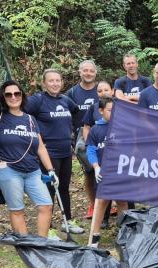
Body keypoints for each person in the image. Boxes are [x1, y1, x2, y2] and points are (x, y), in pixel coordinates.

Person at [0, 81, 56, 240]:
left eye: (17, 93)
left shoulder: (30, 119)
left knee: (46, 205)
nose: (13, 97)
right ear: (3, 97)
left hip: (33, 171)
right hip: (8, 170)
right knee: (17, 209)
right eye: (9, 94)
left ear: (22, 95)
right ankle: (25, 243)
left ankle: (41, 242)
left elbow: (40, 147)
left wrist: (51, 170)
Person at [24, 69, 83, 238]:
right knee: (49, 189)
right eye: (51, 81)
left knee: (63, 187)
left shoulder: (65, 100)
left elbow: (76, 112)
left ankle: (68, 222)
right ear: (44, 83)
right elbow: (21, 114)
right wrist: (34, 133)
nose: (55, 83)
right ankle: (48, 228)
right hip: (48, 153)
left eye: (58, 80)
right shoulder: (37, 100)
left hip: (66, 152)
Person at [86, 97, 126, 247]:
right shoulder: (96, 129)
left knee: (122, 201)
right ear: (101, 111)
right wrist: (96, 167)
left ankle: (124, 233)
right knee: (101, 202)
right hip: (103, 173)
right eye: (110, 110)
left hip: (120, 172)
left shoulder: (122, 127)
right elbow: (90, 150)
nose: (114, 113)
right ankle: (94, 237)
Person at [66, 61, 101, 220]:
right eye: (85, 70)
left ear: (95, 72)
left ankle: (107, 204)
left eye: (91, 71)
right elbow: (65, 115)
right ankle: (93, 204)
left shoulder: (100, 90)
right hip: (81, 136)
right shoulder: (72, 93)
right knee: (89, 171)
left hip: (102, 133)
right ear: (80, 72)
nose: (88, 73)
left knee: (105, 168)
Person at [79, 80, 116, 221]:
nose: (103, 93)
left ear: (111, 90)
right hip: (100, 153)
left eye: (106, 90)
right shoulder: (93, 108)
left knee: (123, 196)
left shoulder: (119, 106)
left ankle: (126, 221)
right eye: (99, 90)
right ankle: (103, 219)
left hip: (116, 158)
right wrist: (90, 142)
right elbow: (87, 126)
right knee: (102, 189)